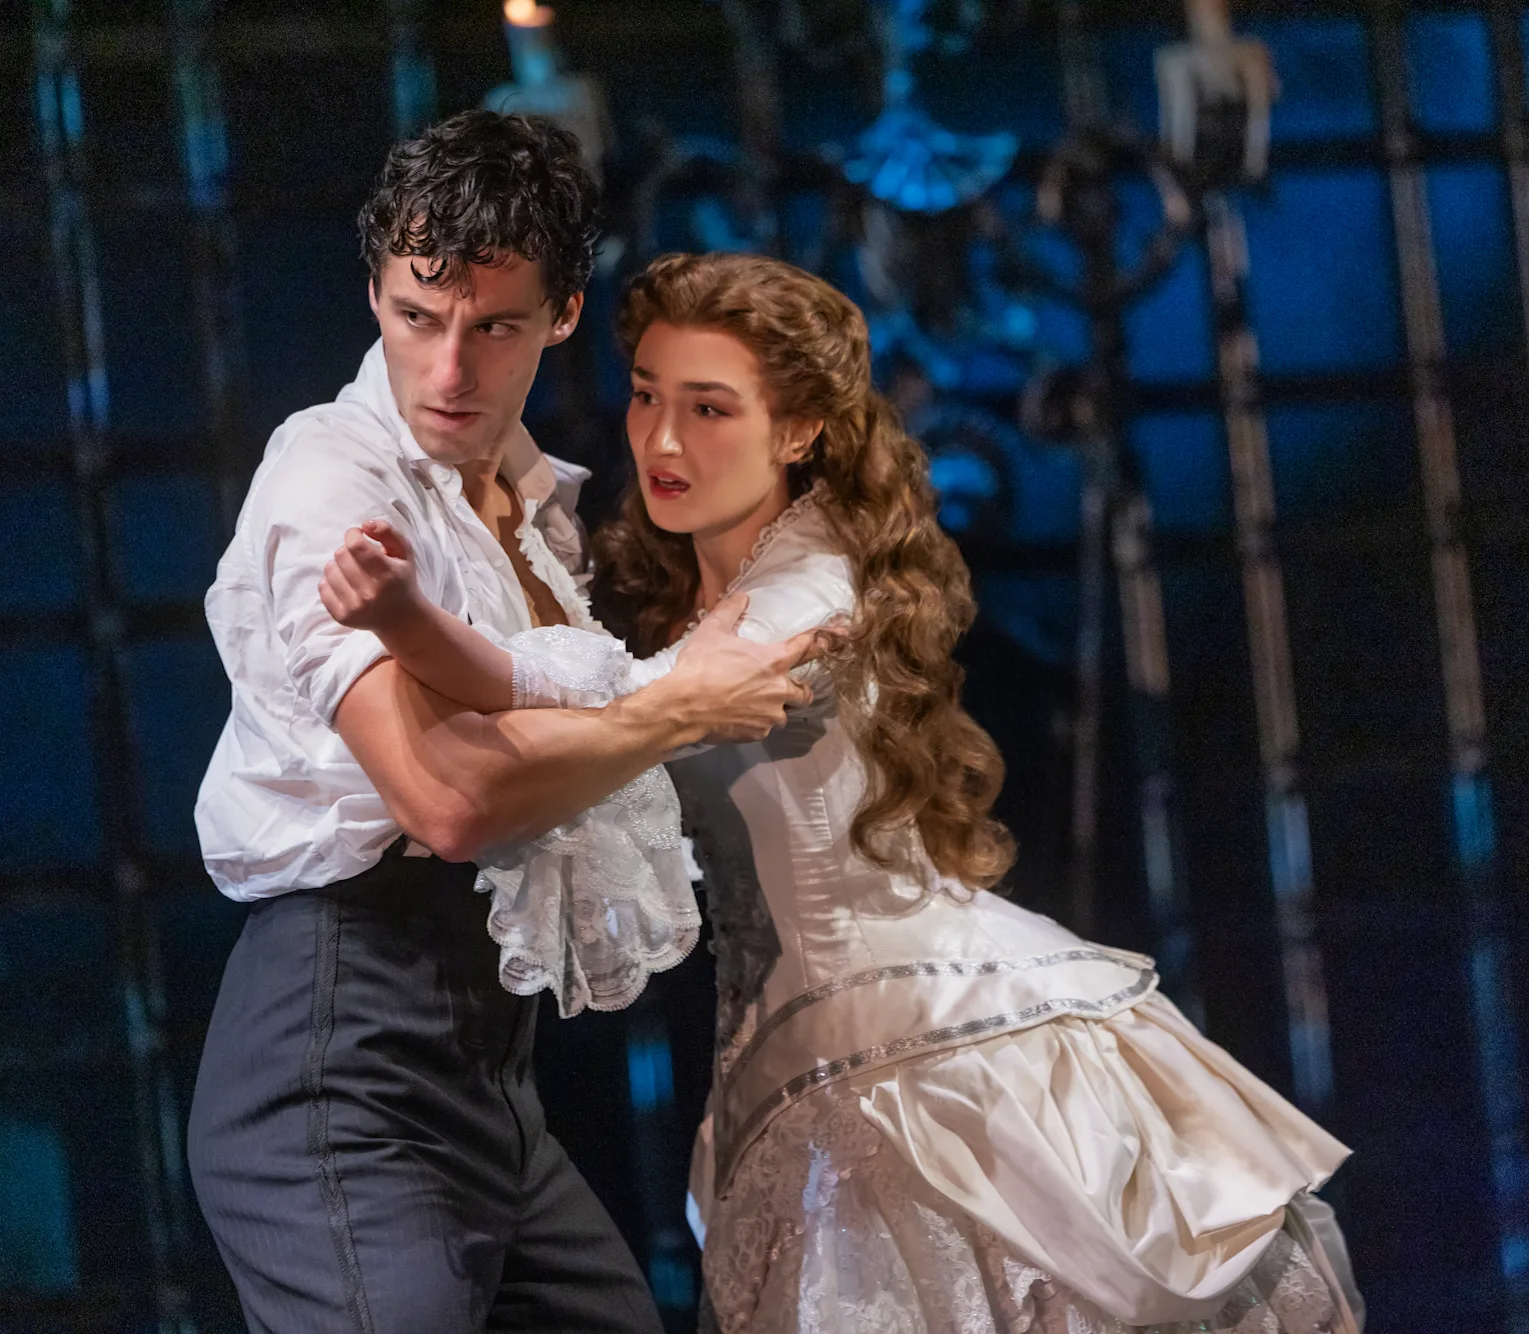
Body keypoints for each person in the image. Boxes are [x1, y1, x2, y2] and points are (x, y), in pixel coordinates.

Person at [319, 251, 1367, 1334]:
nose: (663, 440)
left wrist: (403, 623)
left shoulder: (806, 589)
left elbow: (613, 711)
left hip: (913, 1054)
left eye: (710, 408)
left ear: (798, 430)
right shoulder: (699, 585)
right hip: (793, 1051)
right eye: (645, 395)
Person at [186, 114, 817, 1334]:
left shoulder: (535, 509)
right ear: (374, 287)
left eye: (495, 328)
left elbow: (524, 734)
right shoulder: (330, 474)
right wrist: (677, 702)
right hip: (339, 1058)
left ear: (563, 313)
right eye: (417, 317)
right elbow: (447, 798)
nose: (447, 370)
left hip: (488, 1075)